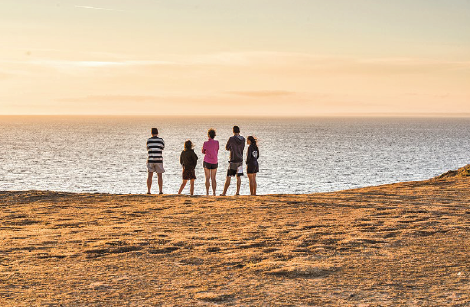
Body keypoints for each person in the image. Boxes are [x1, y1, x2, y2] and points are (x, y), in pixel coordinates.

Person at [221, 126, 245, 196]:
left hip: (233, 160)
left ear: (233, 131)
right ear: (239, 131)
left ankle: (224, 193)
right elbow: (242, 148)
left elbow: (227, 147)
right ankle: (237, 192)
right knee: (238, 176)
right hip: (240, 160)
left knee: (229, 176)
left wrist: (231, 149)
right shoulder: (243, 139)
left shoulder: (231, 139)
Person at [147, 128, 165, 194]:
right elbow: (162, 148)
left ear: (151, 133)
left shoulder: (149, 140)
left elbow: (148, 148)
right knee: (159, 175)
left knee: (150, 175)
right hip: (159, 159)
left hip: (151, 159)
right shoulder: (161, 140)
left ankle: (149, 191)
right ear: (157, 133)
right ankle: (160, 191)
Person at [202, 128, 219, 196]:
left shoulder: (205, 143)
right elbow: (217, 149)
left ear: (208, 135)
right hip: (214, 161)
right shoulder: (217, 142)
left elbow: (203, 151)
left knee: (207, 178)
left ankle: (207, 192)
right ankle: (214, 193)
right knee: (213, 178)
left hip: (207, 161)